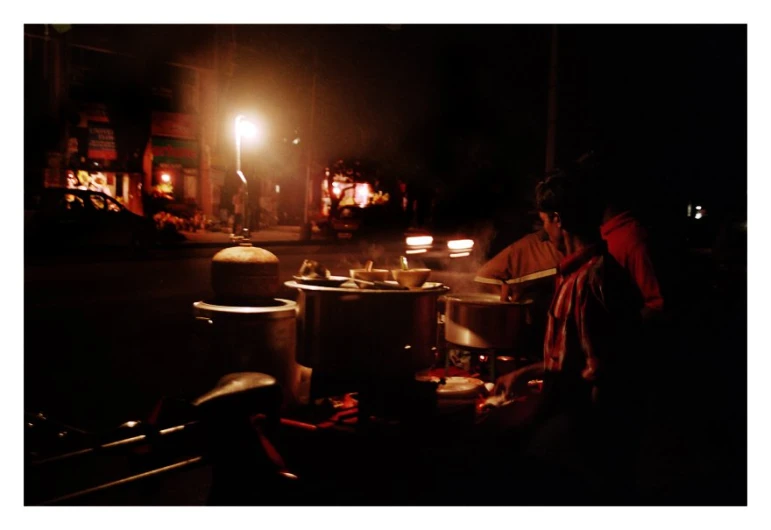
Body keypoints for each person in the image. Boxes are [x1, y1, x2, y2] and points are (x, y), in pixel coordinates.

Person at [494, 172, 643, 502]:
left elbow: (600, 369)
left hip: (587, 432)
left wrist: (551, 424)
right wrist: (529, 372)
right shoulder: (575, 273)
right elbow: (573, 354)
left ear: (559, 219)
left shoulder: (593, 279)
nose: (544, 233)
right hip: (579, 424)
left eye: (545, 221)